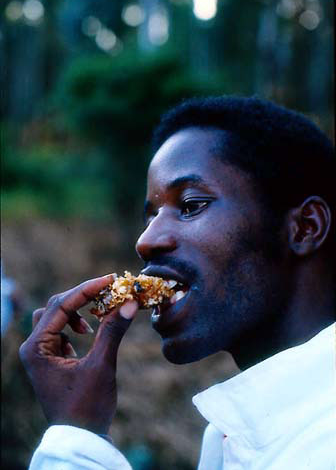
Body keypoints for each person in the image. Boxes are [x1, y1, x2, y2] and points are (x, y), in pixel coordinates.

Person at [20, 96, 335, 469]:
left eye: (190, 205)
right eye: (150, 216)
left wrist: (74, 436)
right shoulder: (228, 436)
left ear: (304, 227)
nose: (146, 240)